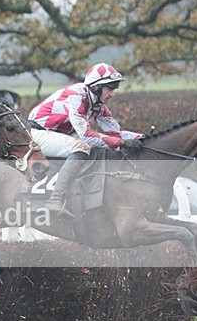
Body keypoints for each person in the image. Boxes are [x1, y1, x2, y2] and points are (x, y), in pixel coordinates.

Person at [26, 63, 145, 217]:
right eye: (109, 88)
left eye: (114, 88)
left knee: (99, 148)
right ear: (96, 87)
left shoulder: (98, 104)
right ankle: (55, 199)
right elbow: (87, 135)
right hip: (37, 133)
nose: (112, 94)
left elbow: (117, 132)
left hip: (60, 133)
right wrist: (121, 143)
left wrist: (144, 138)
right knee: (81, 147)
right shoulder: (76, 95)